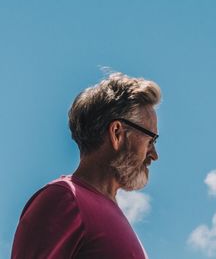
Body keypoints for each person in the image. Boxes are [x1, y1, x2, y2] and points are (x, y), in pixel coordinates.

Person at [11, 72, 161, 259]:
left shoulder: (109, 212)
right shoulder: (64, 199)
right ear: (117, 133)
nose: (154, 155)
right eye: (151, 140)